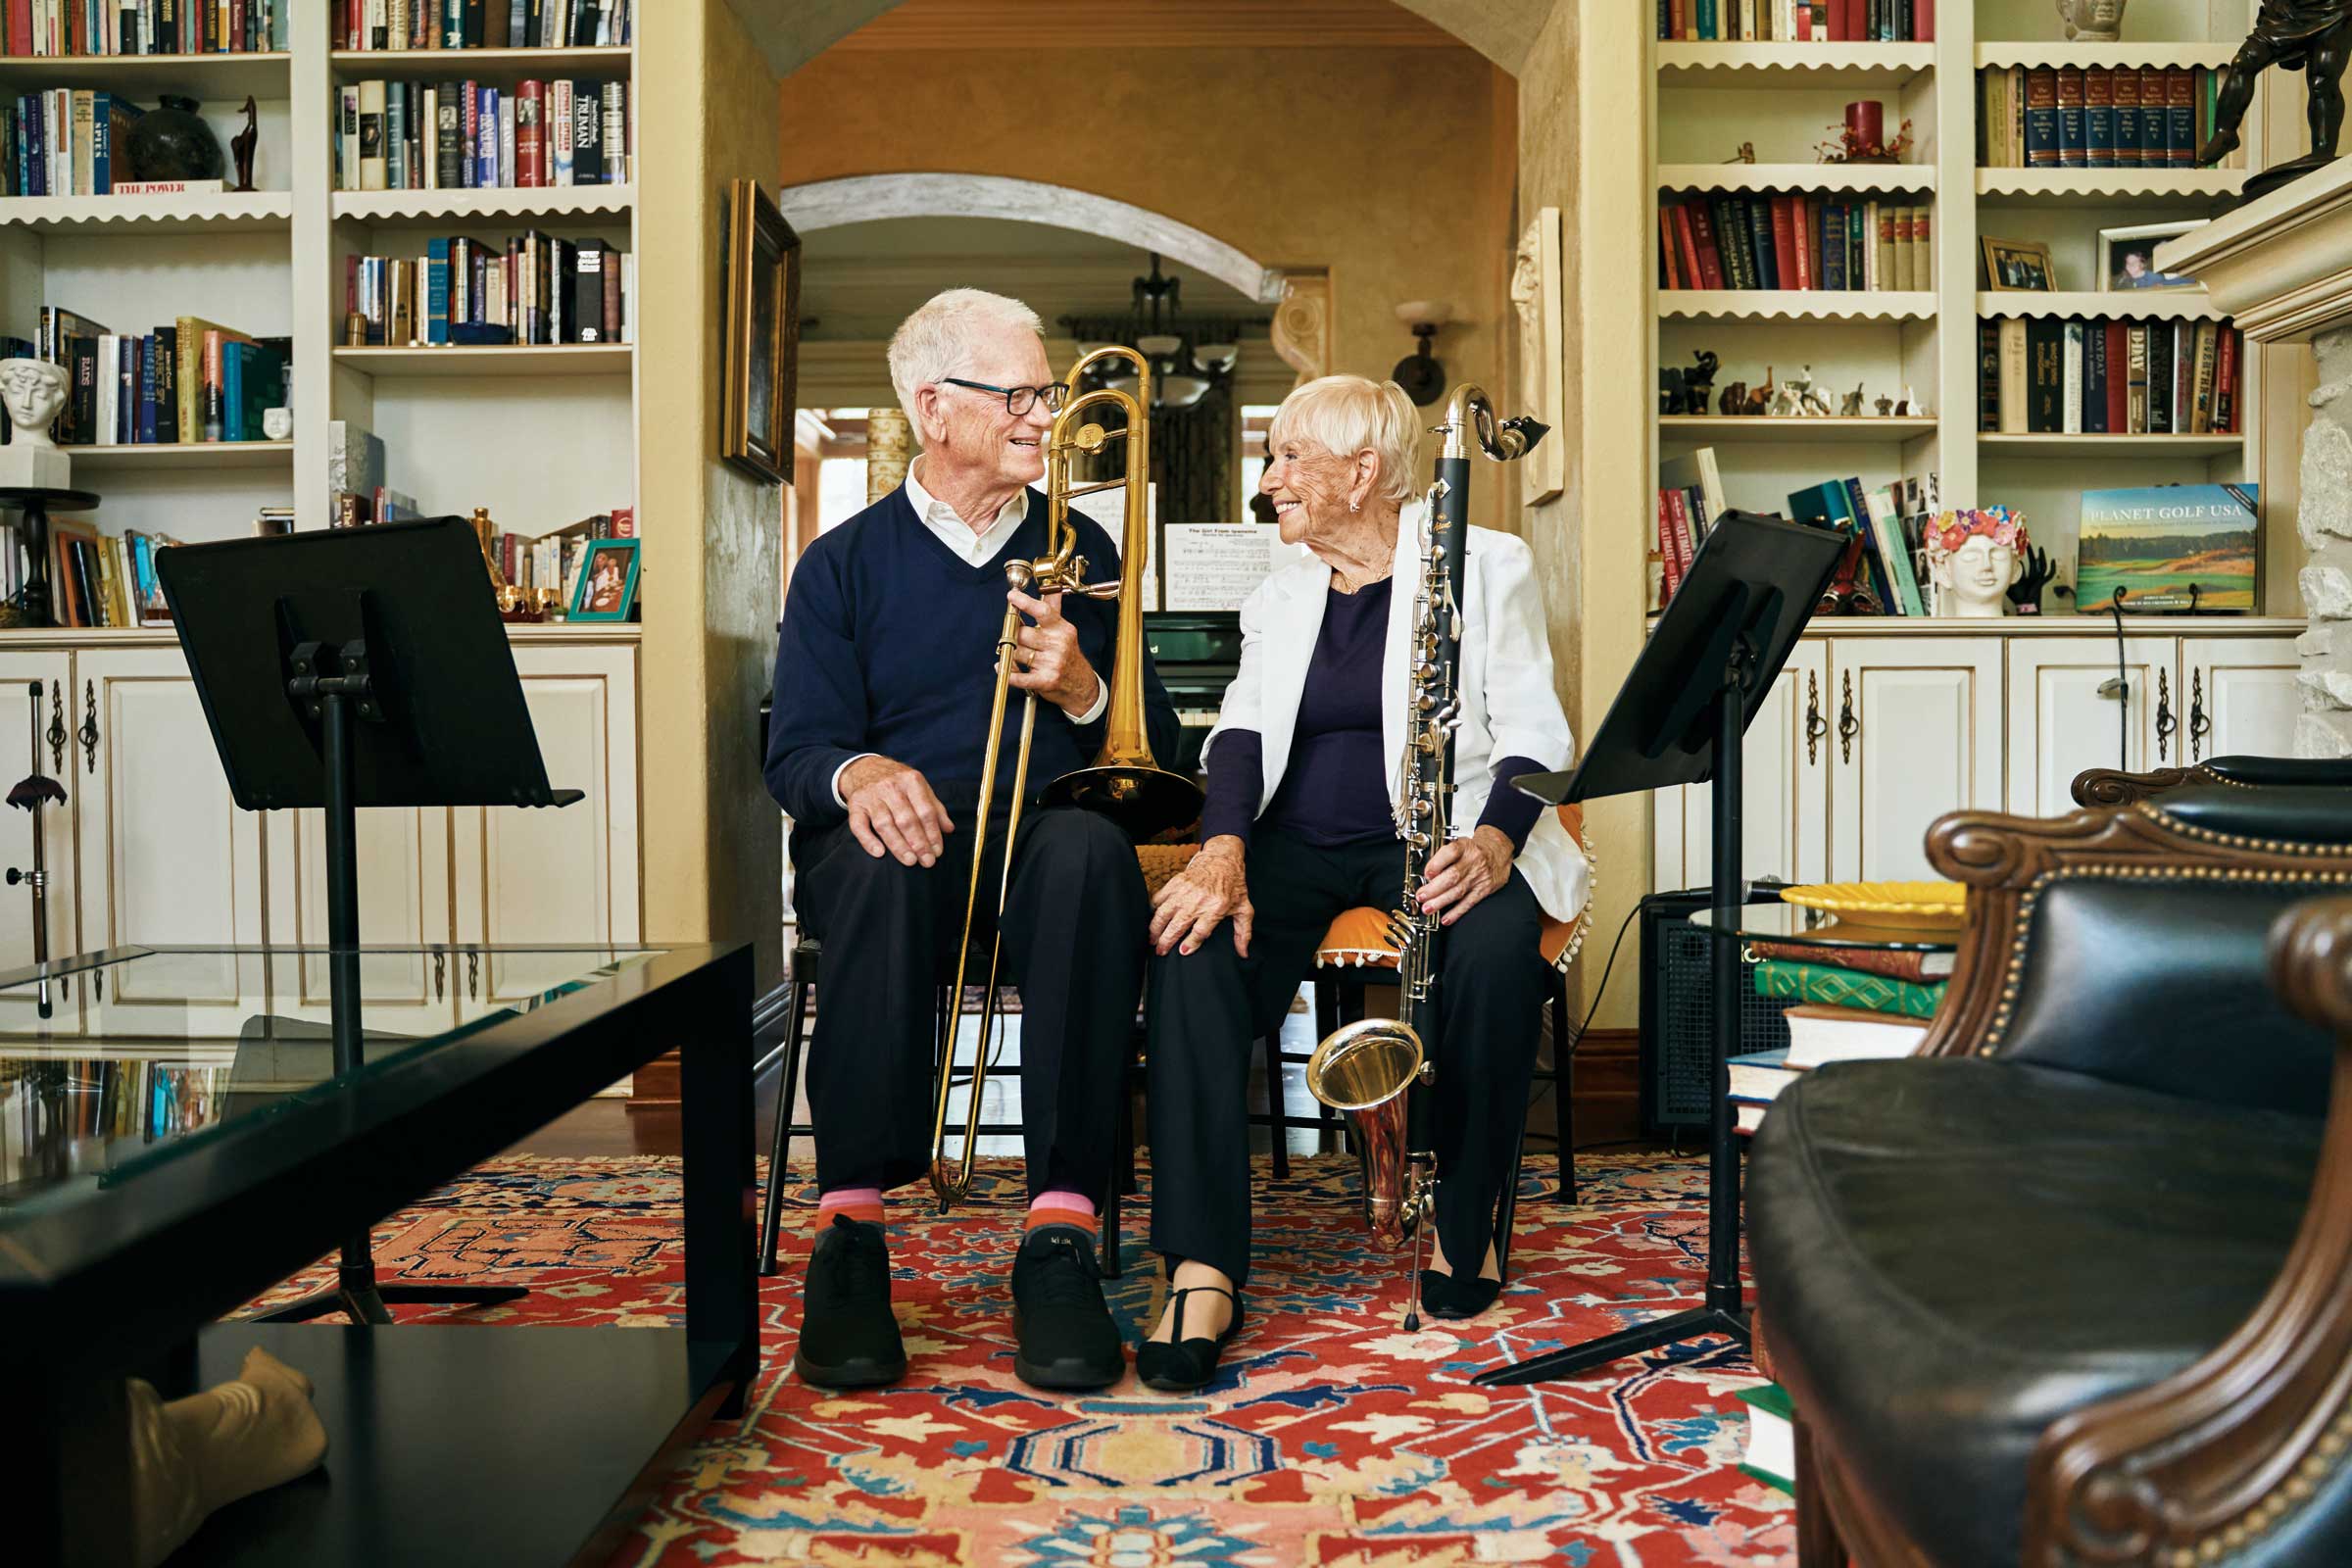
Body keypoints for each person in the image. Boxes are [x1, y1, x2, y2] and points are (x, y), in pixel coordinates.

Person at [1135, 374, 1588, 1392]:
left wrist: (1496, 842)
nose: (1270, 479)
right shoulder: (1281, 589)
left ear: (1363, 471)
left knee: (1494, 949)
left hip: (1443, 830)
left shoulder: (1485, 562)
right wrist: (1222, 849)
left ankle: (1466, 1223)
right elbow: (1240, 731)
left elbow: (1535, 730)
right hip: (1294, 842)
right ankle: (1202, 1265)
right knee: (1192, 948)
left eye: (1291, 456)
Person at [764, 288, 1179, 1394]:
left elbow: (1159, 749)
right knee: (873, 855)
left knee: (1092, 855)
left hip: (1042, 849)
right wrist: (861, 773)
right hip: (905, 853)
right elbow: (796, 753)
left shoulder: (1083, 546)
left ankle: (1059, 1234)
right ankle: (852, 1233)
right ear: (933, 407)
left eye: (1050, 393)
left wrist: (1087, 691)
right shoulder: (842, 563)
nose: (1048, 417)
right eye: (1022, 396)